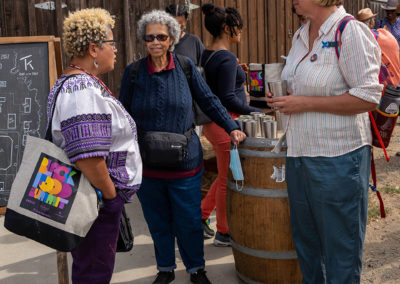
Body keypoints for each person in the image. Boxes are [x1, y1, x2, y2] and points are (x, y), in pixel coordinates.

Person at [119, 10, 246, 284]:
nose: (155, 42)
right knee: (158, 221)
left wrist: (231, 126)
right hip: (149, 165)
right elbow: (123, 117)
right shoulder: (133, 74)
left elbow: (210, 100)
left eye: (161, 37)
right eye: (150, 37)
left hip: (185, 163)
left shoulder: (186, 68)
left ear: (171, 39)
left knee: (188, 221)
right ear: (144, 39)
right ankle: (164, 269)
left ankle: (196, 270)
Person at [267, 1, 382, 283]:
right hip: (299, 154)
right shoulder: (300, 34)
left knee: (340, 250)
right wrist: (282, 98)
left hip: (339, 159)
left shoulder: (349, 31)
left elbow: (368, 97)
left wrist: (304, 103)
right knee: (308, 247)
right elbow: (302, 84)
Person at [47, 8, 142, 284]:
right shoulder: (81, 90)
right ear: (93, 49)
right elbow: (87, 157)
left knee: (91, 270)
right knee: (93, 275)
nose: (115, 50)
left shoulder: (78, 83)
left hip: (95, 198)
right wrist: (111, 197)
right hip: (95, 201)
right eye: (112, 44)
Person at [199, 3, 262, 247]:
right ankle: (224, 232)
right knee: (229, 180)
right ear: (227, 28)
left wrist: (236, 70)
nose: (241, 32)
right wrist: (258, 110)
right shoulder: (225, 57)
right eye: (239, 28)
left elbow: (217, 84)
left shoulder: (209, 53)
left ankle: (201, 215)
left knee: (224, 174)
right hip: (224, 123)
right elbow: (227, 97)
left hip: (212, 123)